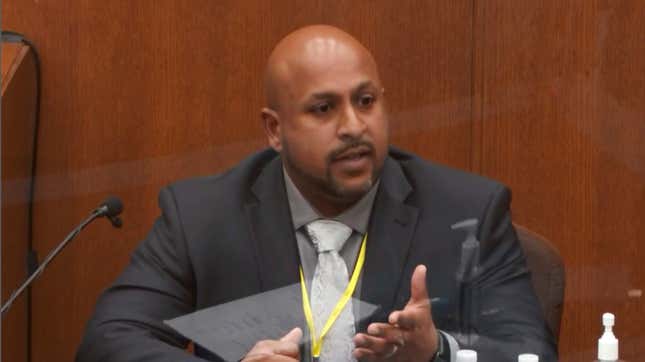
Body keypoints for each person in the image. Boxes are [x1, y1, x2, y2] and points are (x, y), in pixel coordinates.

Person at [76, 25, 557, 362]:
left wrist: (437, 353)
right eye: (324, 108)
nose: (353, 126)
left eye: (366, 101)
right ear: (274, 130)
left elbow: (530, 354)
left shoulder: (466, 212)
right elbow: (108, 340)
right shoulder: (203, 217)